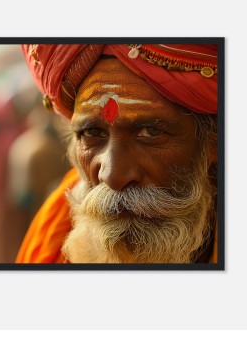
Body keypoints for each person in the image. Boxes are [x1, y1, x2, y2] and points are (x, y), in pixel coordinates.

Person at [16, 43, 218, 264]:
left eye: (150, 132)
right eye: (91, 133)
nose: (112, 176)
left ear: (213, 143)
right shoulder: (52, 240)